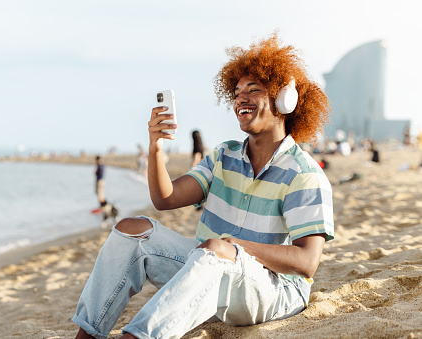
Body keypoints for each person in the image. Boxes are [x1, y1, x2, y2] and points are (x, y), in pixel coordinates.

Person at [72, 33, 334, 339]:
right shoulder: (223, 156)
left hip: (272, 289)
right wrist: (155, 148)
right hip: (207, 267)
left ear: (282, 99)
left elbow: (306, 262)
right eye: (236, 93)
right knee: (132, 230)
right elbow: (165, 198)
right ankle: (87, 335)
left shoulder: (304, 174)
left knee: (216, 250)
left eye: (253, 90)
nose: (241, 99)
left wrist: (237, 247)